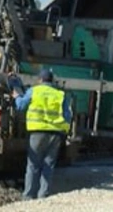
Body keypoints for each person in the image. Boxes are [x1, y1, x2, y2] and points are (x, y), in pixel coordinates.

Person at [12, 68, 72, 199]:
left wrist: (16, 97)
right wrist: (65, 132)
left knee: (33, 165)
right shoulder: (60, 94)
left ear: (40, 80)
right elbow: (67, 116)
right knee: (48, 165)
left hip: (37, 132)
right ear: (52, 80)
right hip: (55, 134)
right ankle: (43, 195)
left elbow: (21, 106)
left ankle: (28, 195)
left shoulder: (34, 91)